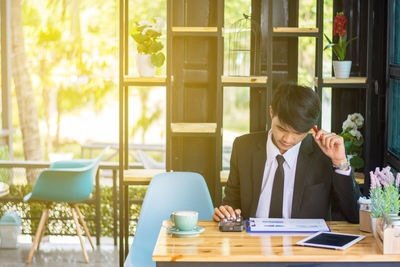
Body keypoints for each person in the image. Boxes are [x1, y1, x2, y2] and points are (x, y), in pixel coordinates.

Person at [213, 83, 360, 223]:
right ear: (271, 112)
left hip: (304, 244)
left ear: (311, 127)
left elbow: (355, 216)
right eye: (282, 128)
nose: (288, 139)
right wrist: (227, 212)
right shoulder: (244, 147)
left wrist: (340, 163)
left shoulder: (324, 154)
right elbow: (232, 202)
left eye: (297, 133)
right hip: (252, 242)